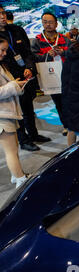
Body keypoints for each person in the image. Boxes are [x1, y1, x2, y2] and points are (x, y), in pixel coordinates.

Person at [0, 5, 50, 151]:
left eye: (3, 13)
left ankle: (33, 134)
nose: (2, 16)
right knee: (17, 110)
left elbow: (28, 52)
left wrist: (29, 67)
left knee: (28, 107)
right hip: (8, 79)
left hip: (25, 74)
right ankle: (23, 140)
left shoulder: (17, 30)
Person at [32, 12, 70, 137]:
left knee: (69, 100)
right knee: (58, 102)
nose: (47, 25)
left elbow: (73, 53)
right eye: (45, 22)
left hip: (66, 74)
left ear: (56, 23)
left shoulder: (64, 39)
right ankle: (66, 125)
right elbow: (34, 57)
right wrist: (48, 55)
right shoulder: (37, 41)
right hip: (50, 76)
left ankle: (72, 122)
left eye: (50, 22)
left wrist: (62, 52)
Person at [0, 37, 29, 188]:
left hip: (9, 113)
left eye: (5, 50)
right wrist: (13, 85)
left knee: (14, 147)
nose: (4, 53)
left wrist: (16, 85)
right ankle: (20, 180)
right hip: (2, 115)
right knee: (10, 150)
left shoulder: (2, 65)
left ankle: (16, 175)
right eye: (2, 50)